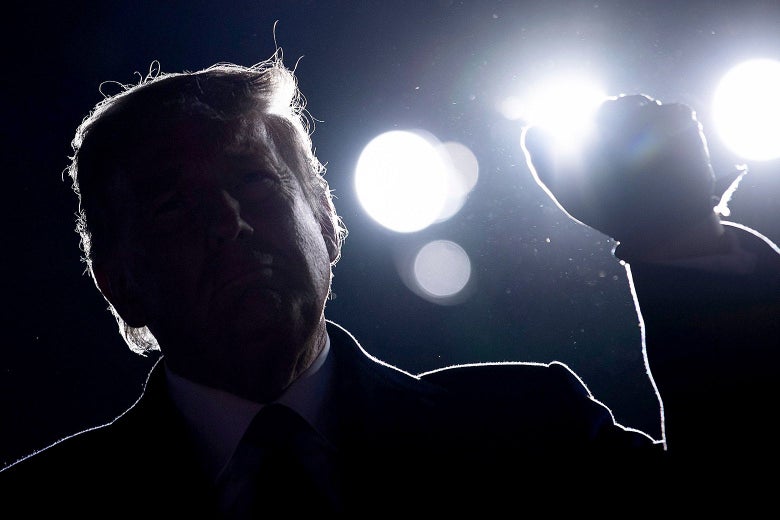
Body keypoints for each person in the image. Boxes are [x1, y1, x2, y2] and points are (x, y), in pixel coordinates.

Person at [1, 52, 777, 514]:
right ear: (117, 283)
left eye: (257, 186)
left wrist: (678, 238)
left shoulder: (534, 434)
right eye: (176, 209)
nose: (228, 225)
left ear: (329, 223)